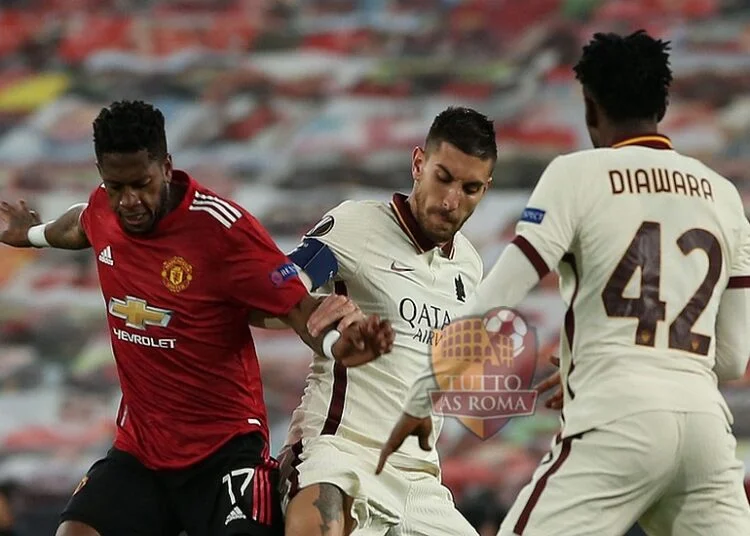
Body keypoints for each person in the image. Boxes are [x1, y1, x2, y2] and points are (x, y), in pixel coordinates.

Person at [379, 30, 750, 536]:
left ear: (590, 107)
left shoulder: (577, 175)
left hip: (618, 419)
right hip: (706, 431)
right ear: (661, 103)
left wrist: (424, 396)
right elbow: (730, 359)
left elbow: (498, 296)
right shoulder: (724, 196)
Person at [0, 100, 395, 536]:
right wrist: (31, 235)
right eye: (115, 186)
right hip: (142, 451)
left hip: (224, 453)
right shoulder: (103, 209)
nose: (129, 201)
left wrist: (335, 346)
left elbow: (297, 306)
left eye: (141, 184)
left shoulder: (222, 230)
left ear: (167, 166)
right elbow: (78, 224)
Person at [273, 106, 498, 536]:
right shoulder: (356, 226)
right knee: (318, 521)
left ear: (485, 190)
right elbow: (275, 289)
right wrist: (320, 324)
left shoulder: (470, 267)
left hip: (419, 479)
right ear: (418, 164)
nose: (451, 201)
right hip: (341, 452)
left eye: (469, 188)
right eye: (443, 177)